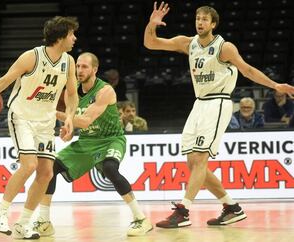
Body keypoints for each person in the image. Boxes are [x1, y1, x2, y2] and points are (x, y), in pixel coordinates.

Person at [144, 2, 294, 228]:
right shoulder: (189, 43)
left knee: (200, 159)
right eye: (197, 19)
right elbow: (150, 43)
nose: (200, 22)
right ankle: (232, 207)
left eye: (205, 19)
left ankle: (183, 212)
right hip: (199, 104)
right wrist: (152, 24)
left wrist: (275, 85)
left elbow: (248, 70)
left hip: (218, 102)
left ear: (213, 24)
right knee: (193, 163)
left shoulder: (225, 47)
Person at [32, 52, 153, 237]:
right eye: (78, 66)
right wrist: (68, 130)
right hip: (87, 141)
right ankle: (44, 221)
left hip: (111, 139)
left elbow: (86, 120)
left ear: (94, 69)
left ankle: (141, 219)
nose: (79, 70)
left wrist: (53, 112)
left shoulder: (105, 91)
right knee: (50, 169)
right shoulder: (71, 92)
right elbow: (74, 123)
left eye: (84, 67)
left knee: (110, 168)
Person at [0, 16, 79, 240]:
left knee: (46, 172)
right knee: (29, 164)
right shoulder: (32, 57)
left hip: (45, 122)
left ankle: (23, 224)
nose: (74, 38)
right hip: (22, 117)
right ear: (60, 36)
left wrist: (70, 118)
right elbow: (5, 81)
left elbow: (73, 94)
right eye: (71, 34)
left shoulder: (69, 61)